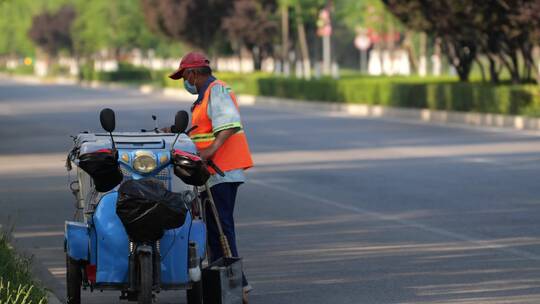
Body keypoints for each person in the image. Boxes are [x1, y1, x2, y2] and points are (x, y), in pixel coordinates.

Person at [168, 52, 254, 303]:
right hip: (211, 173)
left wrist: (209, 152)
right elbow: (201, 131)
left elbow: (228, 125)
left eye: (185, 76)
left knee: (222, 228)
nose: (186, 82)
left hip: (222, 170)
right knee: (214, 229)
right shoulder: (203, 97)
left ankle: (238, 284)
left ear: (193, 73)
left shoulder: (217, 91)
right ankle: (224, 282)